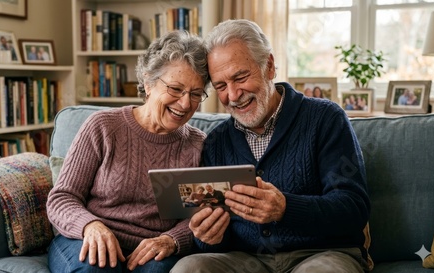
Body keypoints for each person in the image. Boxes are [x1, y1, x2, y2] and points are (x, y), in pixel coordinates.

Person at [171, 19, 370, 273]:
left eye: (240, 77)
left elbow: (354, 209)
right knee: (188, 268)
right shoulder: (216, 141)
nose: (232, 95)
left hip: (321, 254)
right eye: (221, 86)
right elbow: (214, 242)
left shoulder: (325, 118)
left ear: (270, 66)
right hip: (245, 259)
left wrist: (286, 209)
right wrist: (207, 236)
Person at [46, 30, 209, 273]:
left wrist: (172, 240)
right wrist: (90, 225)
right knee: (95, 269)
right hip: (87, 237)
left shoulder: (198, 144)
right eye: (175, 89)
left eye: (195, 94)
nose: (185, 104)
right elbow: (62, 198)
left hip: (154, 249)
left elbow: (201, 215)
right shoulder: (103, 126)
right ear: (148, 83)